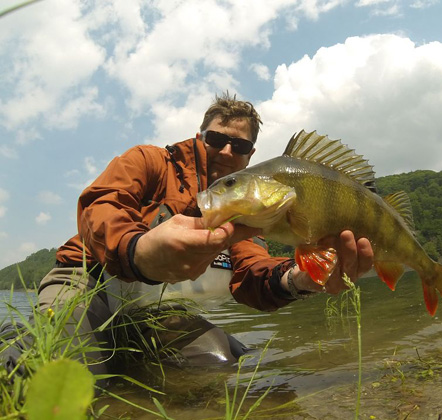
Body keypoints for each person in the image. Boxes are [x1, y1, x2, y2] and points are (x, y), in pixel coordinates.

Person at [1, 93, 374, 379]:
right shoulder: (148, 161)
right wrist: (137, 249)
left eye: (240, 146)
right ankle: (17, 338)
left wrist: (300, 279)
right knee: (57, 371)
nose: (227, 150)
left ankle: (128, 359)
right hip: (90, 280)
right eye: (217, 139)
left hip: (156, 307)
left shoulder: (249, 210)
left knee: (221, 362)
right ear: (201, 135)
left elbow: (252, 272)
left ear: (251, 155)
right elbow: (102, 204)